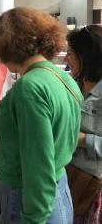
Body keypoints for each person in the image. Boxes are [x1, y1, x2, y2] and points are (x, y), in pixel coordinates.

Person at [0, 7, 83, 223]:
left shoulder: (29, 88)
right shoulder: (62, 76)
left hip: (29, 200)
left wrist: (33, 219)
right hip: (58, 188)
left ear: (7, 45)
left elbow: (37, 164)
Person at [63, 25, 102, 223]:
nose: (65, 59)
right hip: (65, 173)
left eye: (70, 53)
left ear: (87, 56)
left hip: (91, 184)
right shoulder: (71, 85)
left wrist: (84, 140)